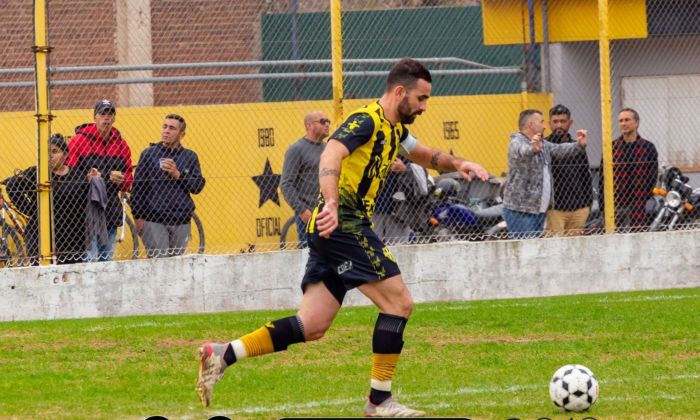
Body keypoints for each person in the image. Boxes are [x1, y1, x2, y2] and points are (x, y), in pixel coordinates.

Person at [195, 58, 489, 417]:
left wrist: (460, 163)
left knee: (312, 325)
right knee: (398, 304)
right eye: (422, 98)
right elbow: (332, 152)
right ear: (400, 92)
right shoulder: (365, 120)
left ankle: (223, 354)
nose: (425, 107)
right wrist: (331, 202)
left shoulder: (395, 129)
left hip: (333, 229)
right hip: (343, 223)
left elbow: (425, 155)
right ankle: (378, 401)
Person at [503, 109, 588, 239]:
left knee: (536, 250)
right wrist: (533, 149)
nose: (544, 126)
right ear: (531, 124)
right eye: (541, 122)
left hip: (538, 211)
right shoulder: (517, 142)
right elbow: (522, 151)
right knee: (527, 250)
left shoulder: (542, 144)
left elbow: (559, 149)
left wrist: (578, 145)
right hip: (521, 211)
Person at [66, 99, 133, 261]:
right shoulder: (78, 141)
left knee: (106, 260)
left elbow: (129, 181)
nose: (107, 118)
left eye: (110, 114)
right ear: (94, 117)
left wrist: (122, 180)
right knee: (88, 260)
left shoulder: (121, 145)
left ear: (114, 119)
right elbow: (68, 174)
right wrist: (87, 178)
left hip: (110, 210)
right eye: (103, 114)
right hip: (85, 210)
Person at [130, 114, 205, 257]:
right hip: (154, 220)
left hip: (181, 220)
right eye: (164, 127)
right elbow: (138, 189)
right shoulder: (149, 154)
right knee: (159, 264)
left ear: (181, 134)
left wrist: (178, 174)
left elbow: (198, 186)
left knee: (177, 265)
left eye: (172, 128)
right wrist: (138, 219)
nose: (166, 131)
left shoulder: (190, 156)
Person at [6, 134, 86, 264]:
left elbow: (85, 199)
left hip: (72, 235)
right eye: (47, 152)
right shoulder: (36, 173)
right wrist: (33, 211)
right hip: (39, 234)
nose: (50, 155)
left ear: (65, 154)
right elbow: (12, 186)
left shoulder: (77, 174)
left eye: (55, 151)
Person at [280, 111, 330, 247]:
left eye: (328, 121)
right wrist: (302, 211)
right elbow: (286, 184)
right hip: (309, 215)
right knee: (310, 257)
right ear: (309, 126)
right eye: (322, 121)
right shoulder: (296, 149)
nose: (327, 124)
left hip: (329, 213)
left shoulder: (329, 148)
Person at [544, 105, 593, 236]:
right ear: (549, 124)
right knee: (555, 247)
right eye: (555, 121)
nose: (559, 125)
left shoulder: (578, 146)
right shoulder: (544, 146)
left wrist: (587, 205)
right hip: (554, 210)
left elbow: (585, 176)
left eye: (563, 121)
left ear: (570, 123)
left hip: (579, 209)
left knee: (575, 249)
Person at [608, 108, 658, 231]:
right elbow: (604, 178)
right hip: (617, 202)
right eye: (620, 121)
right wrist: (605, 205)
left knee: (639, 234)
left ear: (636, 123)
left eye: (627, 120)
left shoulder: (648, 147)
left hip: (640, 202)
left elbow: (652, 176)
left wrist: (645, 197)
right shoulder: (611, 148)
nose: (623, 123)